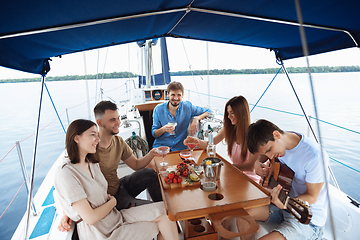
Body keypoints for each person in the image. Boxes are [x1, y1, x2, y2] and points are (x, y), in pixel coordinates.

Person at [54, 119, 179, 240]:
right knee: (162, 224)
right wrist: (112, 202)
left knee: (165, 210)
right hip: (100, 232)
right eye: (93, 135)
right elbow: (90, 218)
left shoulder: (91, 162)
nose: (98, 139)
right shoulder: (65, 173)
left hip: (114, 217)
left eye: (98, 135)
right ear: (76, 138)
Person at [58, 100, 163, 233]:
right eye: (113, 120)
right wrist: (66, 211)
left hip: (120, 186)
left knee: (148, 173)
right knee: (157, 209)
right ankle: (160, 210)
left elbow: (136, 165)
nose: (118, 123)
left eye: (118, 118)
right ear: (100, 123)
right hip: (111, 199)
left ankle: (164, 204)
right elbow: (68, 182)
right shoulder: (89, 150)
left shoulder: (118, 141)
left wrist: (152, 153)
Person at [245, 119, 328, 240]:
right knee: (242, 214)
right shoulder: (282, 141)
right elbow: (263, 152)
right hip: (282, 207)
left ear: (276, 135)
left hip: (307, 219)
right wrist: (257, 162)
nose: (269, 157)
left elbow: (312, 196)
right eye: (266, 153)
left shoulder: (314, 156)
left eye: (269, 150)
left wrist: (286, 203)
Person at [184, 96, 261, 183]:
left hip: (251, 181)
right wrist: (196, 141)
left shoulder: (254, 135)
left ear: (241, 112)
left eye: (232, 113)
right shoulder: (228, 128)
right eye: (228, 113)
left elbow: (250, 167)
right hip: (235, 175)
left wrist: (224, 167)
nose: (229, 116)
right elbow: (210, 143)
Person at [152, 81, 212, 151]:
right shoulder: (158, 109)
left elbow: (209, 112)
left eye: (179, 95)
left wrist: (197, 118)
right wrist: (164, 129)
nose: (176, 98)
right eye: (173, 95)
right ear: (167, 94)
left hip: (179, 149)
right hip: (161, 148)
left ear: (182, 95)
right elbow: (154, 133)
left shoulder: (188, 107)